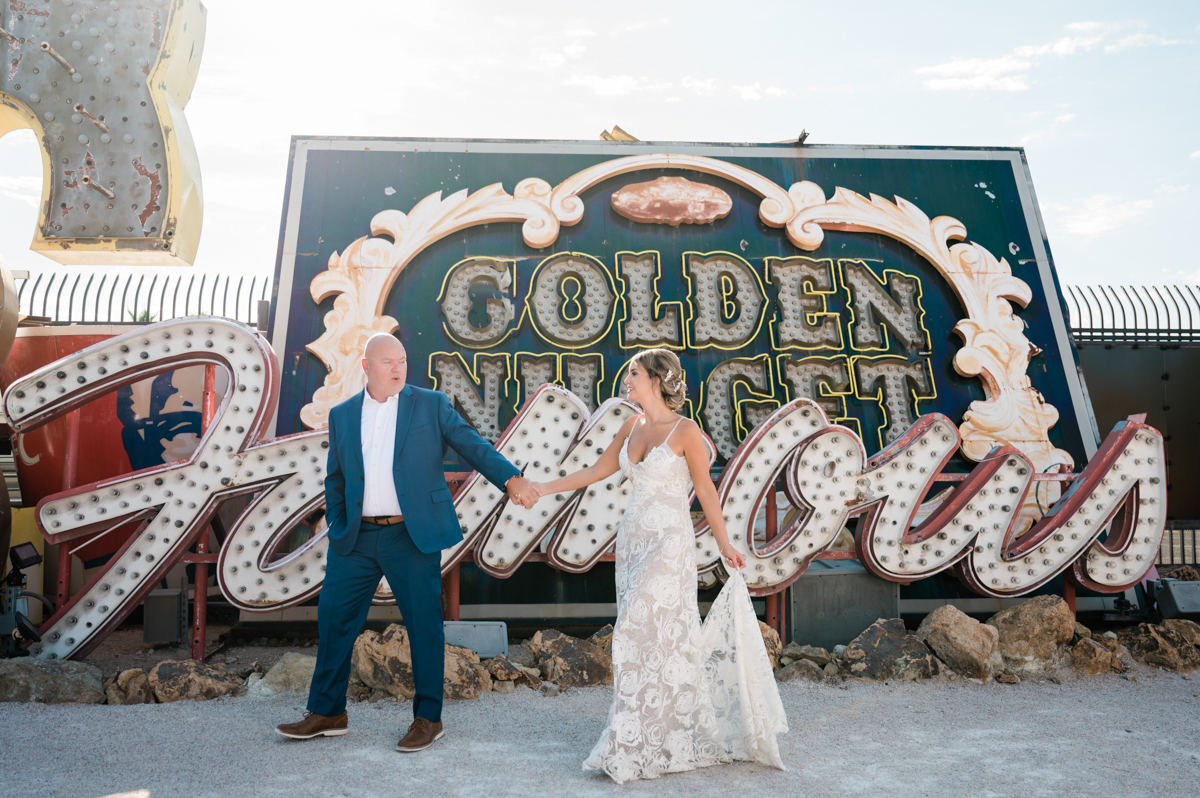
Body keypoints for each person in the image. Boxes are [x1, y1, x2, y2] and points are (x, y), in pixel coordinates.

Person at [524, 348, 788, 783]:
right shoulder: (632, 425)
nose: (626, 379)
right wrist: (542, 487)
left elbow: (706, 492)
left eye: (633, 373)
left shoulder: (687, 433)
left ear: (657, 379)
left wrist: (726, 546)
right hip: (632, 542)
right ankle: (646, 734)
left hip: (669, 542)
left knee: (635, 628)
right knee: (647, 637)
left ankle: (637, 738)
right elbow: (595, 471)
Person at [277, 333, 536, 752]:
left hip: (411, 534)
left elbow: (472, 444)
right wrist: (340, 520)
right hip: (356, 537)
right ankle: (327, 712)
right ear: (366, 367)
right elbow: (336, 476)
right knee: (334, 621)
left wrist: (510, 478)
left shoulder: (430, 404)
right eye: (387, 362)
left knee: (424, 627)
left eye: (401, 360)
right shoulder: (343, 414)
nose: (398, 368)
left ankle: (428, 719)